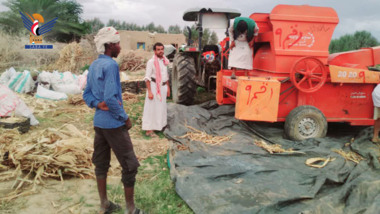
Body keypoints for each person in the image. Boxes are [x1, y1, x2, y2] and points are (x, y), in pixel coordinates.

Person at [83, 27, 143, 214]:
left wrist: (96, 104)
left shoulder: (93, 65)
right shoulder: (111, 66)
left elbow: (86, 94)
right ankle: (131, 209)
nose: (119, 47)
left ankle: (104, 205)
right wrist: (125, 118)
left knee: (101, 164)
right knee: (130, 164)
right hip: (113, 125)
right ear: (109, 45)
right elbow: (110, 98)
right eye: (117, 43)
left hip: (99, 124)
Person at [142, 42, 170, 137]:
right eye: (158, 49)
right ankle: (149, 130)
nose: (161, 51)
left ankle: (159, 126)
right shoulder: (151, 62)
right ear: (154, 51)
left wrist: (168, 88)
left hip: (163, 87)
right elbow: (147, 78)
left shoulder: (165, 61)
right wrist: (149, 91)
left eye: (162, 49)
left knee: (161, 108)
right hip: (154, 87)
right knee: (151, 108)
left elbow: (166, 76)